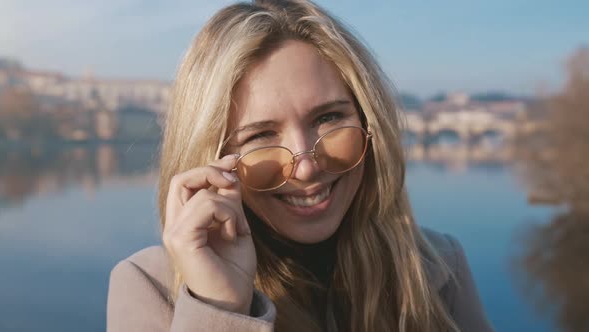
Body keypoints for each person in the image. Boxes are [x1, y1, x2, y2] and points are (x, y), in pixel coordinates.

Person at [107, 0, 493, 331]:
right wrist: (219, 310)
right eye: (260, 137)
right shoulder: (149, 288)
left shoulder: (437, 265)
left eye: (328, 118)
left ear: (367, 120)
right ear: (211, 159)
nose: (306, 168)